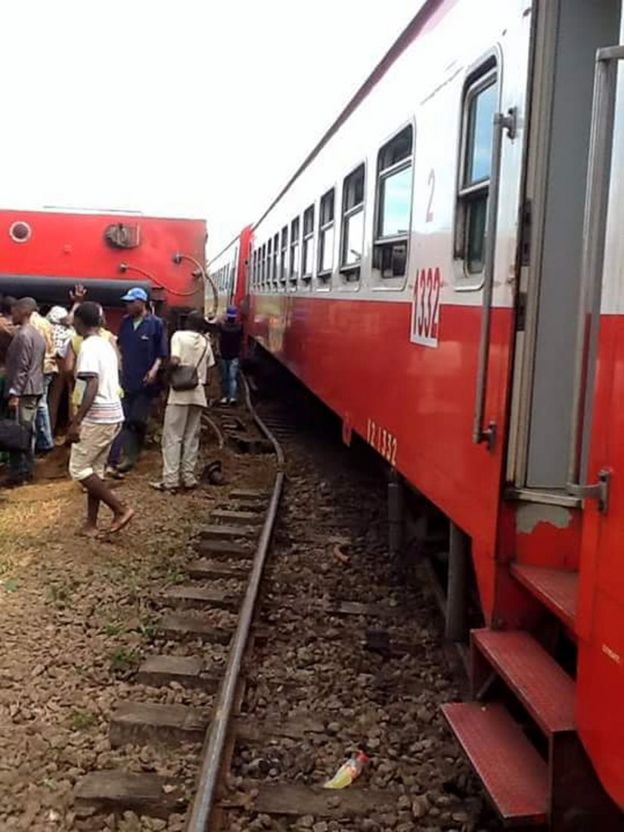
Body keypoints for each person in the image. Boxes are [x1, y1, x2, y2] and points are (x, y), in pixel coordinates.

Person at [67, 301, 134, 536]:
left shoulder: (88, 347)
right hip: (113, 413)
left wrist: (77, 421)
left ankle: (119, 508)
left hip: (98, 416)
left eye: (74, 318)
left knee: (78, 469)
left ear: (80, 321)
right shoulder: (106, 343)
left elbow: (91, 384)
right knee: (94, 470)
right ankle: (91, 525)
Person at [151, 311, 214, 493]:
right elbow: (209, 368)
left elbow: (175, 360)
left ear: (187, 322)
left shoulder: (179, 336)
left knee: (172, 436)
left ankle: (170, 480)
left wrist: (167, 376)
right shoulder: (205, 342)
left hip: (179, 393)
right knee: (191, 437)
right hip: (198, 393)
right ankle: (188, 477)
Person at [110, 287, 168, 474]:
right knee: (123, 418)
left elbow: (161, 353)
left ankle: (131, 456)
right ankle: (119, 455)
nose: (127, 306)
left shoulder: (156, 324)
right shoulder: (126, 323)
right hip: (127, 378)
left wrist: (153, 371)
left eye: (131, 302)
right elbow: (119, 345)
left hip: (145, 381)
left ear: (141, 303)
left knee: (136, 419)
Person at [4, 297, 46, 485]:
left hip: (24, 390)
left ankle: (21, 473)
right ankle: (24, 470)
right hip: (34, 388)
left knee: (20, 431)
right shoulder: (37, 335)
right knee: (28, 430)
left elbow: (22, 367)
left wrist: (15, 393)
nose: (12, 314)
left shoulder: (23, 335)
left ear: (24, 312)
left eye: (14, 311)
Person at [31, 306, 56, 454]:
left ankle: (45, 441)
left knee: (38, 405)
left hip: (39, 367)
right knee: (42, 403)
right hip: (48, 365)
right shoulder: (46, 322)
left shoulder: (31, 324)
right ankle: (45, 441)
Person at [46, 305, 72, 434]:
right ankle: (57, 429)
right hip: (62, 367)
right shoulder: (69, 332)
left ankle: (47, 430)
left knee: (47, 401)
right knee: (57, 401)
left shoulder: (46, 329)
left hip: (46, 366)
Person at [213, 305, 243, 405]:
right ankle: (233, 397)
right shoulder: (239, 328)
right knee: (232, 378)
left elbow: (216, 326)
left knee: (224, 377)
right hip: (234, 356)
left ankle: (225, 397)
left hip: (223, 355)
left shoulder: (222, 327)